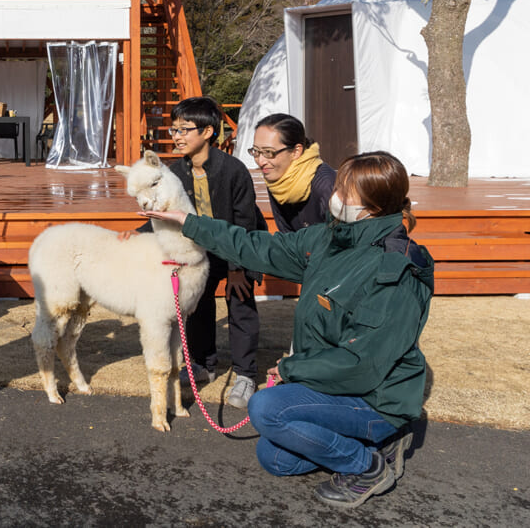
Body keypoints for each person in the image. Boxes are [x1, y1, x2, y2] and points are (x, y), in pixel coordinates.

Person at [141, 151, 433, 508]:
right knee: (275, 458)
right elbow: (257, 245)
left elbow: (363, 363)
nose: (335, 195)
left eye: (345, 190)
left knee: (267, 407)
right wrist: (189, 222)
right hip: (337, 385)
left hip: (376, 399)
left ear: (371, 207)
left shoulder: (394, 270)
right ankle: (378, 444)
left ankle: (368, 465)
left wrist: (292, 369)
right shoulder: (334, 238)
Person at [127, 96, 267, 409]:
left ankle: (245, 375)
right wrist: (134, 236)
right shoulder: (175, 171)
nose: (176, 136)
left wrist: (236, 269)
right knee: (197, 305)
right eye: (174, 129)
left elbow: (244, 221)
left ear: (207, 132)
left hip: (239, 247)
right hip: (199, 249)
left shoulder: (234, 170)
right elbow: (166, 212)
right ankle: (203, 363)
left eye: (184, 129)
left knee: (241, 303)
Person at [250, 113, 336, 232]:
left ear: (296, 151)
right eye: (256, 151)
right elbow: (287, 237)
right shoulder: (278, 181)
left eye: (269, 152)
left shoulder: (327, 185)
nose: (260, 161)